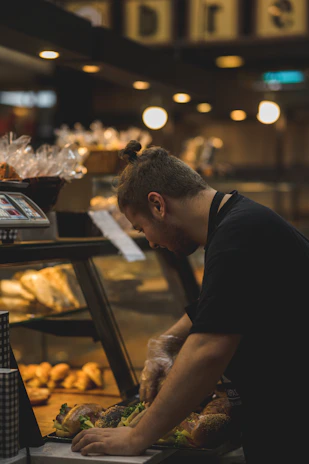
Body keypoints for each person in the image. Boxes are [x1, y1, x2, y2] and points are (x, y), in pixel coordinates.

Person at [72, 140, 309, 463]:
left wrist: (137, 437)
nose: (152, 243)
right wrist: (166, 339)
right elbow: (223, 302)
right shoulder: (239, 221)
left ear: (158, 204)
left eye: (143, 229)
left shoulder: (236, 235)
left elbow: (208, 351)